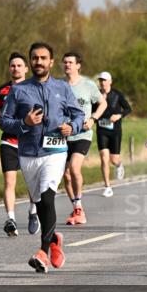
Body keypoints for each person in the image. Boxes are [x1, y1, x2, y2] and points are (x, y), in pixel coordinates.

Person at [1, 42, 84, 273]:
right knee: (40, 203)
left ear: (50, 61)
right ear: (31, 62)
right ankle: (54, 239)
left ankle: (42, 252)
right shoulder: (18, 90)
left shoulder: (62, 87)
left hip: (55, 151)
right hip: (28, 154)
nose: (39, 62)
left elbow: (78, 114)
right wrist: (24, 124)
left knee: (48, 197)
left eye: (43, 58)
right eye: (35, 58)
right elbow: (4, 122)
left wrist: (73, 127)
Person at [0, 53, 37, 237]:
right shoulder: (2, 90)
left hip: (29, 143)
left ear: (26, 68)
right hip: (9, 141)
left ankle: (33, 211)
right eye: (12, 66)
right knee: (9, 181)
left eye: (19, 65)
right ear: (9, 68)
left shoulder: (34, 88)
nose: (15, 68)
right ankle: (11, 219)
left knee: (32, 183)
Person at [61, 53, 106, 225]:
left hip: (83, 134)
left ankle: (78, 207)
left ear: (78, 65)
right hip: (64, 135)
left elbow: (103, 103)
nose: (67, 65)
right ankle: (76, 209)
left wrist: (93, 118)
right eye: (65, 62)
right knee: (65, 175)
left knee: (74, 168)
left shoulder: (88, 85)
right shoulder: (59, 85)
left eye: (71, 62)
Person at [96, 71, 132, 196]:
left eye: (105, 80)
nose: (102, 82)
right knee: (104, 158)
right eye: (100, 80)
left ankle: (119, 165)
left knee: (113, 159)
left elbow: (128, 108)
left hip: (115, 130)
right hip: (101, 129)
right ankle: (107, 187)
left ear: (110, 81)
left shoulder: (117, 94)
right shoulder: (96, 95)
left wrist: (119, 115)